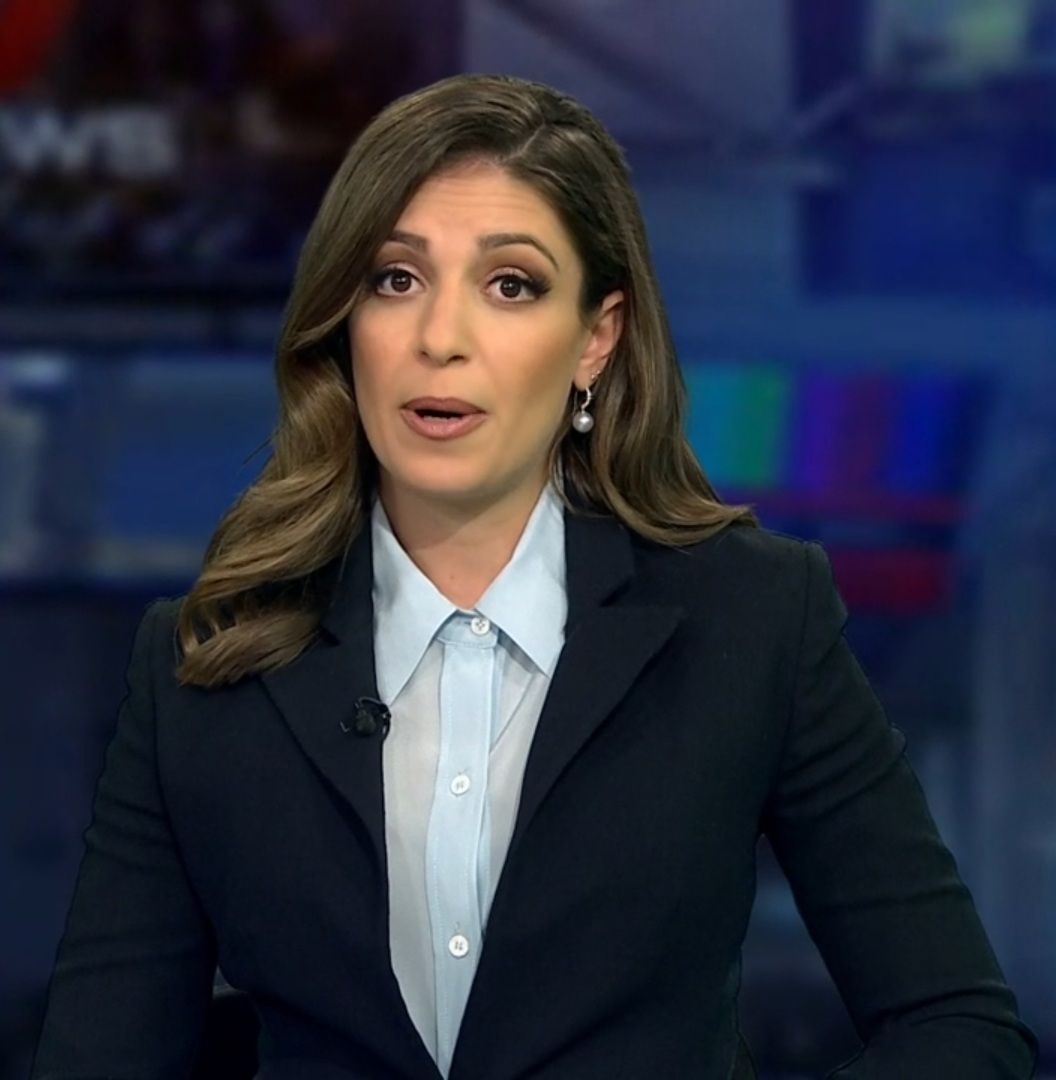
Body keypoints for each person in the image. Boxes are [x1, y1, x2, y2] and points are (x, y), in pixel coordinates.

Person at [31, 72, 1037, 1080]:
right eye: (395, 279)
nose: (441, 339)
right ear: (345, 322)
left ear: (596, 339)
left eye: (510, 285)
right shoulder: (205, 665)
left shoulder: (753, 619)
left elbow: (957, 1025)